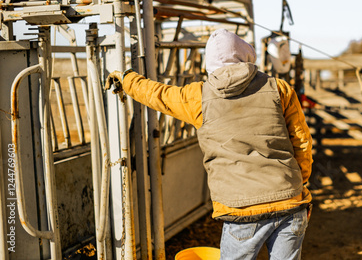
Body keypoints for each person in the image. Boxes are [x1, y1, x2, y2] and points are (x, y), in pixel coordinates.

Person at [106, 28, 313, 259]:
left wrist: (127, 79)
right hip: (289, 201)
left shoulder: (199, 97)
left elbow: (158, 94)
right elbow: (302, 142)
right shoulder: (280, 89)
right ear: (246, 54)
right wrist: (299, 183)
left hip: (241, 209)